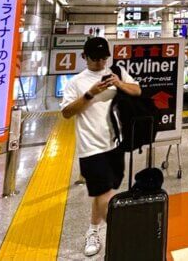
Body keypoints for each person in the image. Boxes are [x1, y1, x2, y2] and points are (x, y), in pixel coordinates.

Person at [60, 37, 141, 257]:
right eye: (95, 59)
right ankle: (123, 237)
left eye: (104, 58)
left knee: (105, 191)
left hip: (115, 142)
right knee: (105, 193)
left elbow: (137, 91)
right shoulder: (75, 82)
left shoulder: (117, 72)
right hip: (91, 147)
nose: (100, 63)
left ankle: (93, 229)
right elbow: (66, 112)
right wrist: (91, 93)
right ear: (84, 57)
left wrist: (119, 83)